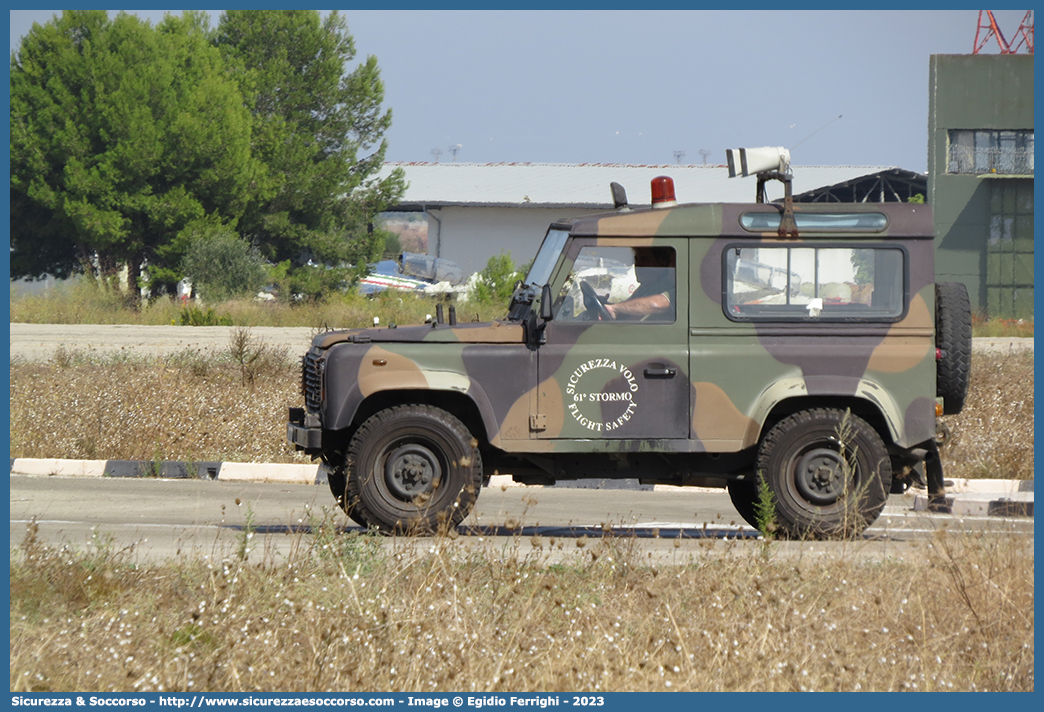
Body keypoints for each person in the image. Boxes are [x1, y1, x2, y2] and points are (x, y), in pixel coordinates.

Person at [603, 247, 675, 320]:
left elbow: (656, 305)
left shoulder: (673, 289)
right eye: (636, 260)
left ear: (662, 263)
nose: (638, 265)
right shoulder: (646, 288)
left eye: (645, 260)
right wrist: (606, 306)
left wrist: (614, 308)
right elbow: (625, 307)